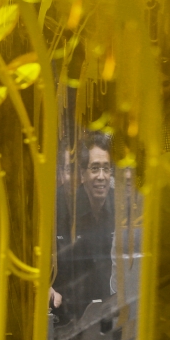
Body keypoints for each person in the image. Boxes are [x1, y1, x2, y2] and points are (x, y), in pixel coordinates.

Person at [54, 132, 115, 326]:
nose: (101, 177)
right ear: (82, 174)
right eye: (95, 168)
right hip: (65, 321)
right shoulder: (60, 206)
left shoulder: (119, 206)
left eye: (106, 169)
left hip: (108, 319)